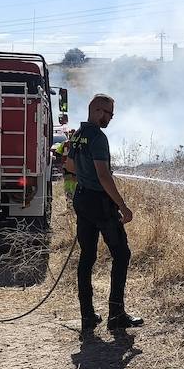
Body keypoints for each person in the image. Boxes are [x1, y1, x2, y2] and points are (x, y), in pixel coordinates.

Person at [68, 94, 143, 330]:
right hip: (100, 203)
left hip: (82, 199)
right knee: (121, 254)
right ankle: (116, 315)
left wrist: (85, 173)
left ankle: (87, 316)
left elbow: (69, 165)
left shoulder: (78, 134)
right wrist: (123, 206)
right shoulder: (98, 137)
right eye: (109, 113)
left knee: (87, 257)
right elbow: (103, 176)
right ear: (98, 110)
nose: (110, 118)